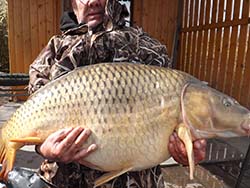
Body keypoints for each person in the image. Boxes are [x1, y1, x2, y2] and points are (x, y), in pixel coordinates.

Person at [28, 0, 207, 187]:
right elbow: (33, 125)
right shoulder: (52, 55)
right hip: (63, 181)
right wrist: (43, 148)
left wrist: (186, 150)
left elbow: (175, 128)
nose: (93, 1)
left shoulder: (149, 51)